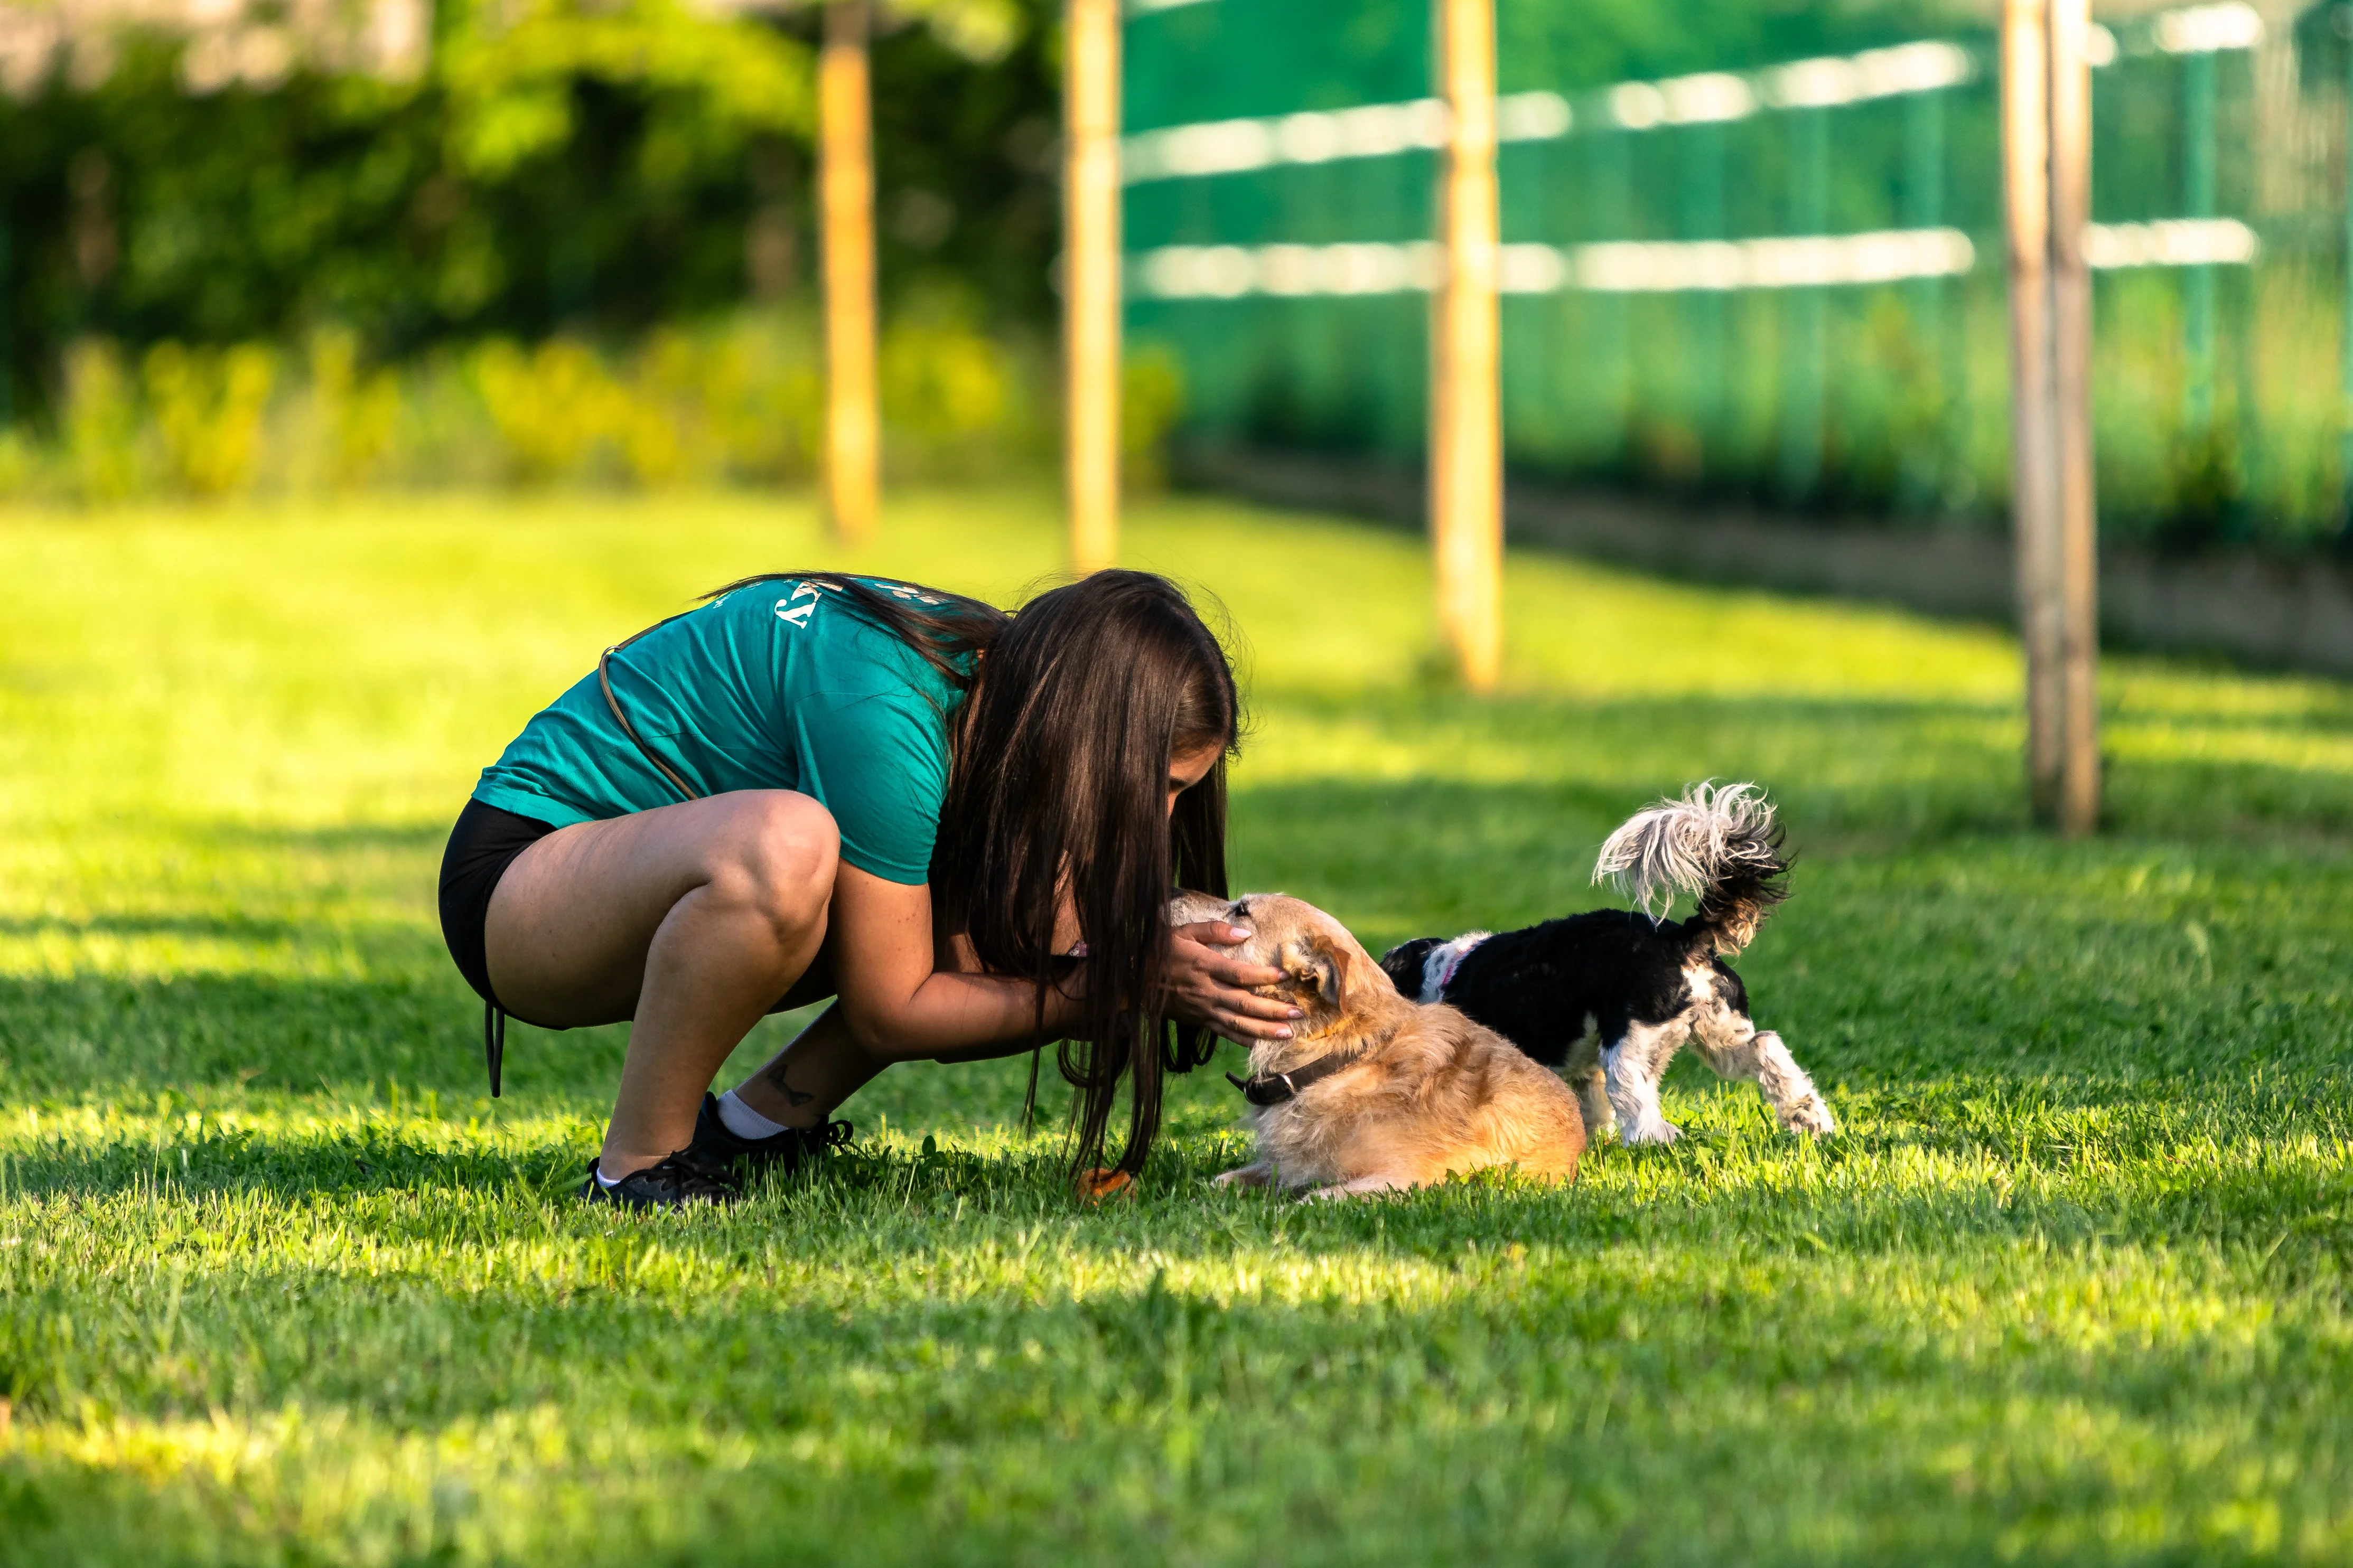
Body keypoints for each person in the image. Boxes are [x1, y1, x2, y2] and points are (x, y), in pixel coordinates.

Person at [437, 568, 1300, 1208]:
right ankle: (639, 1167)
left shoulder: (1011, 687)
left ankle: (756, 1130)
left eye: (1181, 791)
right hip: (524, 891)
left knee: (992, 905)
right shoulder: (888, 713)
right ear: (1085, 730)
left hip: (626, 882)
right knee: (785, 845)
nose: (1159, 822)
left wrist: (1127, 963)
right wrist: (1117, 983)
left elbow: (1018, 956)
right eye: (1153, 784)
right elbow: (896, 1007)